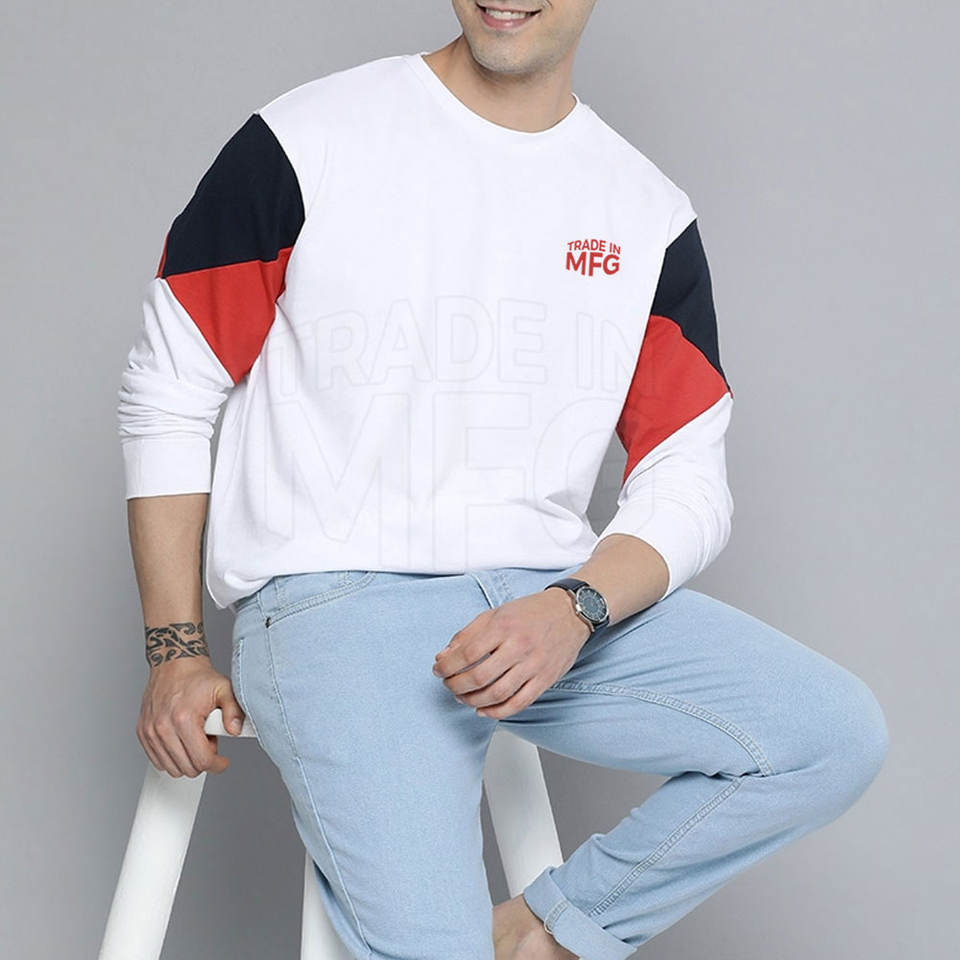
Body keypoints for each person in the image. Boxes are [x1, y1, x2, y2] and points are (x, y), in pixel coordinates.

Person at [117, 3, 889, 958]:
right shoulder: (304, 139)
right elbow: (170, 389)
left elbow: (687, 476)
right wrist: (174, 647)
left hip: (545, 601)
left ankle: (543, 930)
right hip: (338, 604)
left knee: (828, 735)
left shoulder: (645, 210)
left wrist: (576, 607)